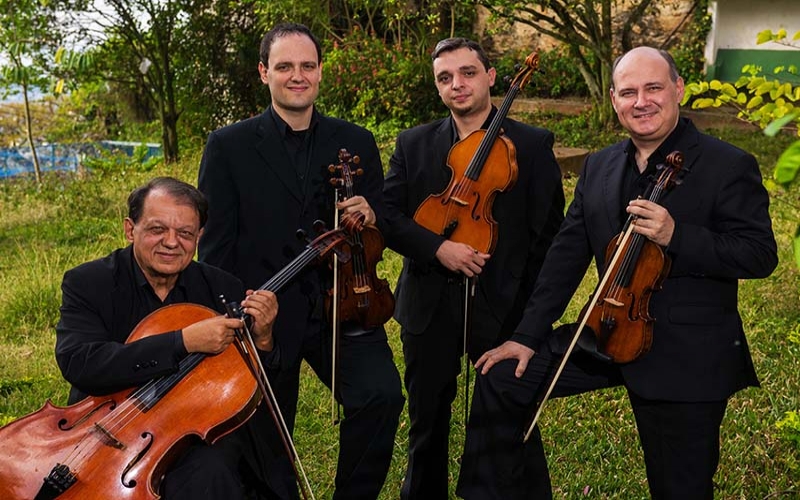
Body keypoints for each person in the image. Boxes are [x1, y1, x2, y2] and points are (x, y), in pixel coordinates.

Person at [455, 46, 779, 499]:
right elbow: (565, 259)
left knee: (679, 487)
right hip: (605, 333)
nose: (641, 101)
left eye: (653, 88)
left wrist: (676, 235)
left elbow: (759, 255)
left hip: (684, 352)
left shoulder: (728, 165)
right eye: (628, 92)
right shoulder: (600, 166)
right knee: (501, 380)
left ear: (678, 89)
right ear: (613, 100)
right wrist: (527, 336)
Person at [197, 22, 404, 500]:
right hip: (267, 310)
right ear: (264, 72)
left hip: (347, 301)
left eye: (307, 66)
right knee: (265, 434)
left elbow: (382, 229)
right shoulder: (227, 146)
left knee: (381, 396)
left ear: (319, 73)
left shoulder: (355, 140)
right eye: (285, 66)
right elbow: (216, 249)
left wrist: (371, 216)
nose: (297, 75)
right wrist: (237, 316)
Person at [382, 37, 566, 499]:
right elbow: (388, 217)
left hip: (503, 305)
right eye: (445, 78)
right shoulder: (414, 143)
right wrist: (437, 248)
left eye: (467, 73)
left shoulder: (533, 144)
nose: (456, 85)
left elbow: (549, 237)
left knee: (510, 418)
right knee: (427, 422)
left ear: (490, 77)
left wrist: (530, 320)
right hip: (428, 303)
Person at [54, 176, 279, 499]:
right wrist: (182, 341)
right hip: (106, 433)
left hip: (193, 435)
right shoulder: (88, 282)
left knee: (212, 474)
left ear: (199, 236)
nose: (172, 243)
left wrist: (263, 339)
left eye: (185, 233)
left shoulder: (222, 289)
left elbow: (254, 386)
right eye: (158, 229)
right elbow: (80, 363)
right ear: (130, 229)